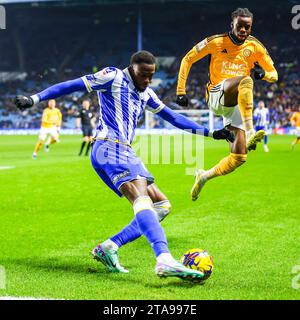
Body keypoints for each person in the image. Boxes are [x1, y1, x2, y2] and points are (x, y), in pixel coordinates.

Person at [14, 50, 234, 281]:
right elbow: (72, 85)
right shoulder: (112, 76)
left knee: (161, 205)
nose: (147, 80)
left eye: (151, 76)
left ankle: (109, 247)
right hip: (109, 146)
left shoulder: (146, 93)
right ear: (132, 69)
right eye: (144, 75)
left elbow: (173, 117)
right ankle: (164, 258)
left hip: (124, 150)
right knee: (142, 200)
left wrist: (212, 133)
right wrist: (35, 98)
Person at [176, 7, 278, 201]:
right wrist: (181, 91)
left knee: (239, 157)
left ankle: (204, 176)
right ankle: (250, 131)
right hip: (216, 95)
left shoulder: (255, 46)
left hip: (235, 103)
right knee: (245, 81)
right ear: (232, 24)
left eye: (247, 27)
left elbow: (274, 74)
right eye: (240, 26)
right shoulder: (216, 42)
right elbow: (187, 59)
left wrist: (263, 74)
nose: (243, 30)